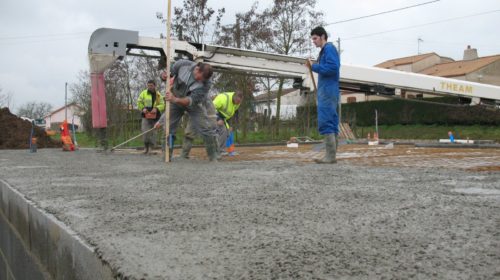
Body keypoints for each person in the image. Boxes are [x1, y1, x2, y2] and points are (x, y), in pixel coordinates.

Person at [155, 60, 219, 161]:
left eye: (203, 80)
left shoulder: (206, 84)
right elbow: (169, 74)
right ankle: (166, 156)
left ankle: (213, 157)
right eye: (199, 77)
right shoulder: (182, 65)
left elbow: (190, 100)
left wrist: (175, 99)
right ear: (197, 69)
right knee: (169, 129)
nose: (200, 80)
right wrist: (163, 76)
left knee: (205, 127)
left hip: (193, 105)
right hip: (175, 98)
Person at [306, 26, 340, 164]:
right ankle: (331, 156)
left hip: (327, 91)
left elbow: (333, 68)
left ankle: (330, 157)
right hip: (328, 90)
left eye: (315, 38)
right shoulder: (325, 51)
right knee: (331, 123)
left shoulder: (329, 49)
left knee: (326, 121)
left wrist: (314, 66)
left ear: (322, 36)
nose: (313, 41)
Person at [180, 91, 243, 158]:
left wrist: (229, 125)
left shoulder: (237, 103)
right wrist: (218, 119)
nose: (238, 103)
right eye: (237, 101)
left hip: (223, 117)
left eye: (239, 102)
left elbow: (231, 113)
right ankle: (218, 151)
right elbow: (211, 109)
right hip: (211, 114)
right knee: (221, 130)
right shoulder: (223, 99)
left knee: (227, 132)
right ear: (234, 97)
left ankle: (220, 150)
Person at [137, 80, 165, 154]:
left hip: (155, 117)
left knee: (153, 133)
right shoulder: (143, 93)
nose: (149, 87)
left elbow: (162, 104)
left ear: (154, 86)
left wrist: (156, 108)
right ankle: (145, 147)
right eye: (148, 85)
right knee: (145, 131)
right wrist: (143, 108)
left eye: (151, 85)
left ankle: (151, 148)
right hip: (146, 116)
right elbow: (139, 102)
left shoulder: (158, 95)